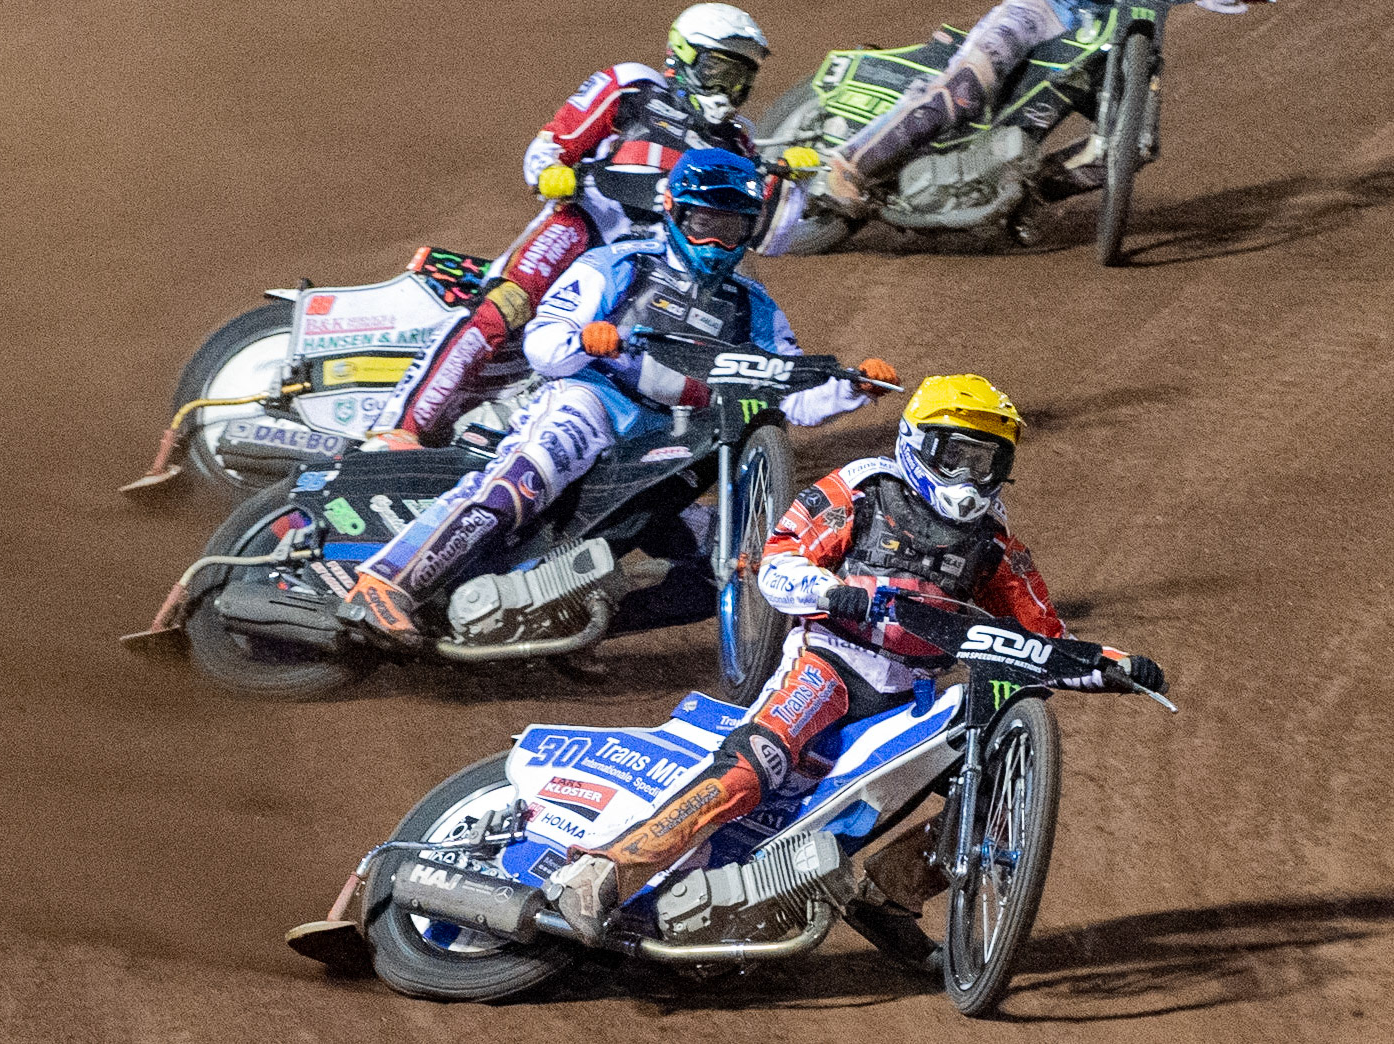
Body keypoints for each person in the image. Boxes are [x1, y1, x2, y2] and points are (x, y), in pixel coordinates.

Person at [548, 373, 1168, 950]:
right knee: (756, 761)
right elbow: (777, 562)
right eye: (957, 455)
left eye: (986, 462)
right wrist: (831, 591)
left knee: (992, 778)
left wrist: (1110, 664)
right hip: (830, 663)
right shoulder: (863, 489)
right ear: (919, 445)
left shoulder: (995, 543)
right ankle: (603, 870)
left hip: (912, 695)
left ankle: (889, 892)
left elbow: (1043, 638)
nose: (969, 476)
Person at [340, 148, 899, 642]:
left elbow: (790, 391)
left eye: (731, 228)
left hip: (671, 440)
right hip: (592, 401)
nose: (715, 242)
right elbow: (541, 345)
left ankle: (566, 627)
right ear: (674, 212)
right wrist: (586, 339)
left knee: (724, 557)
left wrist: (853, 388)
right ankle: (387, 582)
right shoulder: (620, 266)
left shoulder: (753, 306)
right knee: (530, 473)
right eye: (704, 222)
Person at [365, 4, 802, 450]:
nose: (729, 89)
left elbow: (768, 238)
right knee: (505, 304)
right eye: (719, 70)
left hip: (649, 262)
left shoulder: (739, 144)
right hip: (586, 225)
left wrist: (793, 186)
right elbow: (549, 145)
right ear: (683, 56)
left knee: (647, 347)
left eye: (741, 77)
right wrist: (550, 172)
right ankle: (397, 427)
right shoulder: (634, 86)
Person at [822, 0, 1112, 208]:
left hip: (1109, 34)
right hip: (1041, 11)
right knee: (964, 91)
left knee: (1127, 146)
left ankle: (1024, 197)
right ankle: (850, 165)